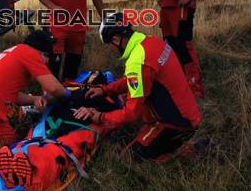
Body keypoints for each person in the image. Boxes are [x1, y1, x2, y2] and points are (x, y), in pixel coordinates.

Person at [74, 13, 202, 162]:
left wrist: (100, 117)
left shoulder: (137, 62)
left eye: (108, 46)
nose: (110, 50)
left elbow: (132, 113)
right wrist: (105, 90)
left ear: (115, 40)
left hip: (176, 125)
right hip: (188, 114)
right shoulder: (151, 42)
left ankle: (186, 151)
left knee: (128, 158)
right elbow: (133, 81)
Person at [0, 29, 70, 148]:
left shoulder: (14, 52)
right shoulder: (30, 53)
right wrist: (68, 93)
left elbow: (9, 94)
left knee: (0, 138)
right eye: (47, 56)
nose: (48, 61)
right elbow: (54, 89)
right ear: (39, 51)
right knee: (17, 148)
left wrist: (34, 99)